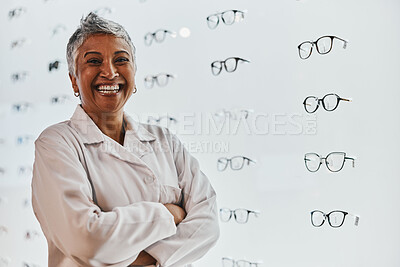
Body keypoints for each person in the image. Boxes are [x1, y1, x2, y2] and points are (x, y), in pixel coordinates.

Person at [31, 13, 219, 267]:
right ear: (74, 80)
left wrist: (142, 259)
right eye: (94, 61)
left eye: (121, 60)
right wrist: (168, 213)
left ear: (134, 73)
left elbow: (207, 225)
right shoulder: (56, 143)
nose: (109, 72)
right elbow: (87, 240)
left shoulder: (165, 141)